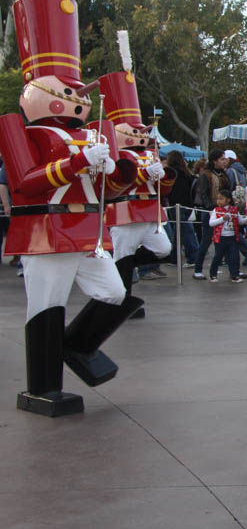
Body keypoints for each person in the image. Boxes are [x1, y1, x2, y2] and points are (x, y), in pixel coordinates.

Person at [0, 0, 142, 416]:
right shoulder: (19, 129)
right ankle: (42, 384)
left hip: (85, 229)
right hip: (43, 228)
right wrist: (79, 162)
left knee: (114, 292)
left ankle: (73, 345)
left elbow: (112, 190)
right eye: (67, 92)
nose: (79, 101)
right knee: (46, 305)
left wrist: (119, 165)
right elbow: (25, 182)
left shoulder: (89, 133)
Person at [95, 38, 175, 319]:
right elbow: (119, 179)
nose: (141, 135)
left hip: (150, 211)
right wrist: (144, 174)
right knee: (123, 255)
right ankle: (122, 302)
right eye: (134, 131)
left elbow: (162, 187)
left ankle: (123, 274)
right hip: (125, 210)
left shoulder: (151, 153)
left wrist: (164, 176)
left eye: (142, 131)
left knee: (164, 250)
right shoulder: (115, 154)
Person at [192, 149, 230, 279]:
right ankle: (197, 269)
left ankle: (233, 270)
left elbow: (228, 191)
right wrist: (212, 208)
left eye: (225, 159)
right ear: (215, 161)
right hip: (210, 211)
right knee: (206, 240)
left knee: (228, 240)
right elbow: (203, 193)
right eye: (222, 159)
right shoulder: (206, 175)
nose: (225, 161)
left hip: (224, 211)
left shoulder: (224, 174)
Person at [163, 150, 200, 267]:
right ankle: (174, 257)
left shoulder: (171, 173)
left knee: (185, 231)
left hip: (176, 205)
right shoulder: (187, 173)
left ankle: (193, 256)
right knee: (178, 232)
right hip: (187, 205)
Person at [208, 190, 247, 283]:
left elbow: (240, 221)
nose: (219, 201)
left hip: (232, 237)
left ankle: (234, 275)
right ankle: (213, 274)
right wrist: (222, 219)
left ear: (229, 200)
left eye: (221, 199)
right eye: (218, 199)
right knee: (218, 257)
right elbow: (211, 223)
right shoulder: (216, 210)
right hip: (220, 238)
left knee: (234, 257)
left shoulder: (234, 209)